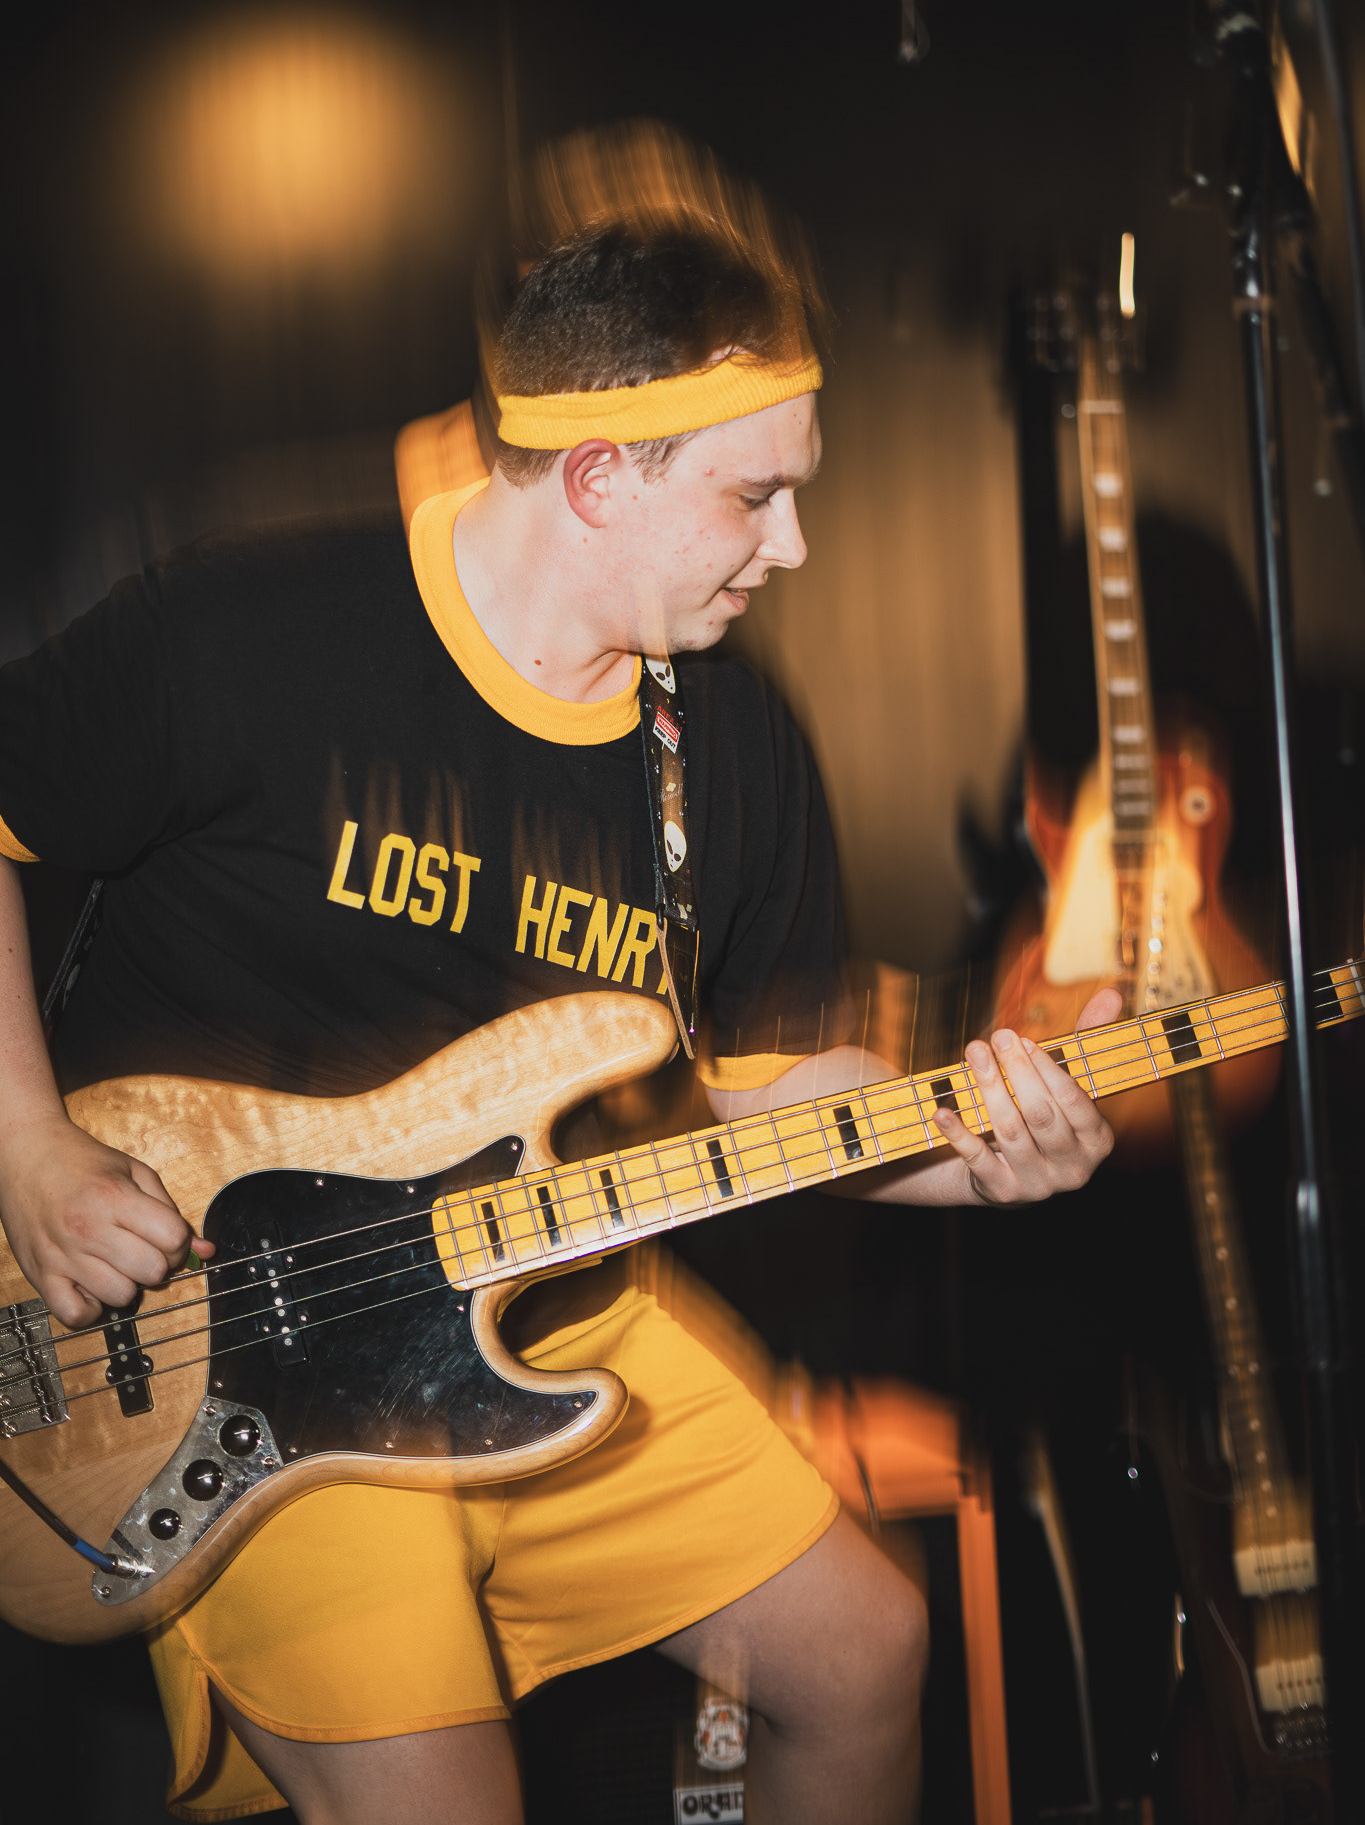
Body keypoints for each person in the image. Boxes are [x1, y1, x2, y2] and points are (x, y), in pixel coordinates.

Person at [0, 130, 1120, 1825]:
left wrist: (988, 1150)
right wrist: (27, 1152)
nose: (793, 545)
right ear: (596, 477)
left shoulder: (729, 740)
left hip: (551, 1308)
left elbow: (760, 1095)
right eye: (753, 495)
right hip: (246, 1358)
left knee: (867, 1656)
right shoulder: (251, 629)